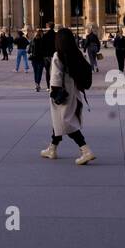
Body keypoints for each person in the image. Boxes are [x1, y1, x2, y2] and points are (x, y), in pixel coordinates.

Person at [40, 28, 96, 165]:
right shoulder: (76, 54)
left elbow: (55, 77)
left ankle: (86, 150)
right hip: (74, 93)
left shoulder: (57, 55)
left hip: (62, 94)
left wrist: (54, 93)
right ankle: (52, 148)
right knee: (59, 121)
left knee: (67, 123)